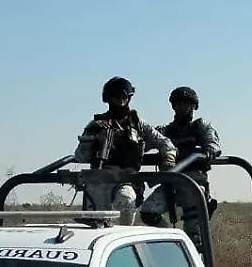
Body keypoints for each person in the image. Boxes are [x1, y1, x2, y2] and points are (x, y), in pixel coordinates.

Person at [73, 77, 177, 226]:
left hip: (127, 179)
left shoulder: (138, 124)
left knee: (127, 203)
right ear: (108, 98)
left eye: (124, 96)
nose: (121, 100)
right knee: (97, 223)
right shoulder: (96, 124)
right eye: (116, 96)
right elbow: (80, 157)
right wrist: (90, 140)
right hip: (99, 180)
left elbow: (165, 143)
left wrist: (168, 159)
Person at [161, 86, 222, 251]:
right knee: (148, 212)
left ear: (194, 106)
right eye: (178, 104)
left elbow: (212, 142)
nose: (181, 107)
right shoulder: (166, 130)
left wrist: (210, 150)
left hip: (193, 181)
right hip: (171, 181)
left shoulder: (201, 126)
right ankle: (172, 240)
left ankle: (193, 257)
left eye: (186, 104)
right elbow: (149, 138)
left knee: (194, 234)